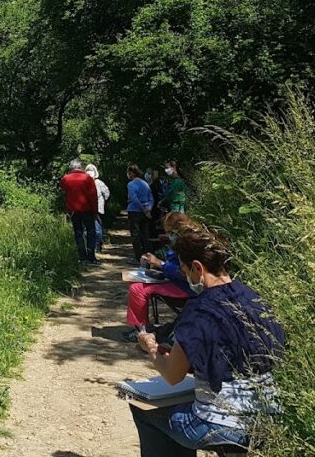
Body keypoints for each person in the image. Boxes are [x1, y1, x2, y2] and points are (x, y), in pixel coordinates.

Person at [130, 225, 286, 456]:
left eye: (184, 271)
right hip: (271, 415)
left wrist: (151, 347)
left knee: (147, 414)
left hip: (219, 424)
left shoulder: (198, 310)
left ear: (197, 268)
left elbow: (173, 376)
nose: (185, 277)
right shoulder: (255, 298)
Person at [120, 212, 198, 342]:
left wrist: (160, 264)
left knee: (137, 288)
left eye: (169, 232)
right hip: (179, 282)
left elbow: (183, 273)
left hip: (187, 287)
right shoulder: (185, 240)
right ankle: (141, 327)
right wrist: (154, 261)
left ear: (176, 229)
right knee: (137, 285)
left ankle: (140, 331)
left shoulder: (187, 244)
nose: (168, 235)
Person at [60, 158, 99, 264]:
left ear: (71, 167)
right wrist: (95, 212)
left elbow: (62, 192)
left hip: (73, 210)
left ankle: (82, 258)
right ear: (81, 167)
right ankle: (91, 257)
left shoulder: (65, 179)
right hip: (87, 210)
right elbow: (93, 197)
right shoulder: (88, 178)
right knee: (91, 232)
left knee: (78, 233)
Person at [126, 164, 154, 264]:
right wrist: (148, 209)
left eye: (129, 172)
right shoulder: (145, 184)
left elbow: (134, 199)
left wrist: (143, 209)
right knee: (146, 234)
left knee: (135, 235)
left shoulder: (131, 184)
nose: (128, 175)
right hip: (146, 212)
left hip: (134, 211)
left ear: (132, 173)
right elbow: (151, 198)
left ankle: (138, 257)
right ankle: (150, 257)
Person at [85, 163, 110, 253]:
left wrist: (102, 201)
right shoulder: (85, 183)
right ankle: (91, 247)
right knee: (88, 229)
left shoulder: (99, 183)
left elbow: (106, 193)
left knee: (97, 228)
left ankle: (98, 245)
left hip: (98, 209)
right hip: (87, 209)